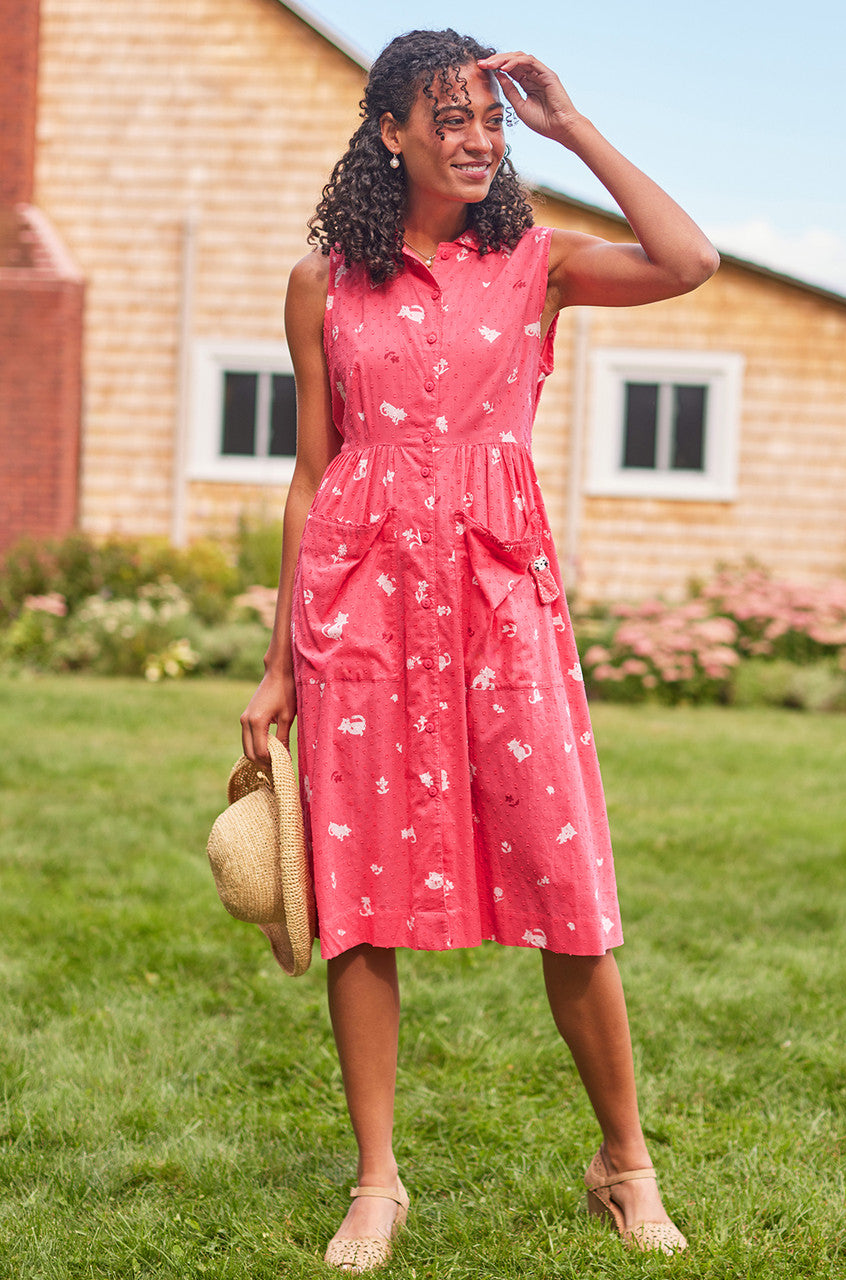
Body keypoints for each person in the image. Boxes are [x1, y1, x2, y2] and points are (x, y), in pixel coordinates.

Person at [241, 28, 718, 1272]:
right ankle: (378, 1181)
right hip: (360, 605)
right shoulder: (325, 281)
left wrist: (572, 129)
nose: (476, 137)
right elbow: (310, 473)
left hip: (502, 604)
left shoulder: (536, 264)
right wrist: (281, 657)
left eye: (490, 121)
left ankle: (626, 1161)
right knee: (357, 905)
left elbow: (690, 261)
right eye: (448, 116)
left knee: (570, 896)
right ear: (389, 130)